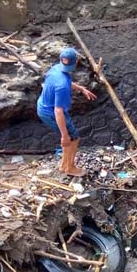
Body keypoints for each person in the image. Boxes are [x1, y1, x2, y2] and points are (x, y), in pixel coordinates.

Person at [36, 48, 96, 177]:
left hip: (43, 106)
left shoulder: (55, 69)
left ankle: (64, 164)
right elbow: (58, 111)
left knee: (71, 137)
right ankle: (70, 167)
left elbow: (65, 82)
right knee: (73, 138)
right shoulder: (62, 86)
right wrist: (64, 135)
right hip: (51, 113)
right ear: (76, 62)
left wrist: (80, 88)